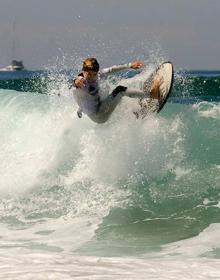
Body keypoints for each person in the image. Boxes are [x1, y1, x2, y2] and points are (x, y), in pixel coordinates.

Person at [72, 57, 160, 123]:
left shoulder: (98, 75)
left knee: (117, 100)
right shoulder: (82, 81)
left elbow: (111, 69)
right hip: (99, 115)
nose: (91, 77)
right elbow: (75, 83)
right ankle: (152, 94)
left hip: (99, 108)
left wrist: (130, 65)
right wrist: (76, 81)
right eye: (88, 74)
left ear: (97, 72)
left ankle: (136, 114)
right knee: (120, 90)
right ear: (83, 71)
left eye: (94, 74)